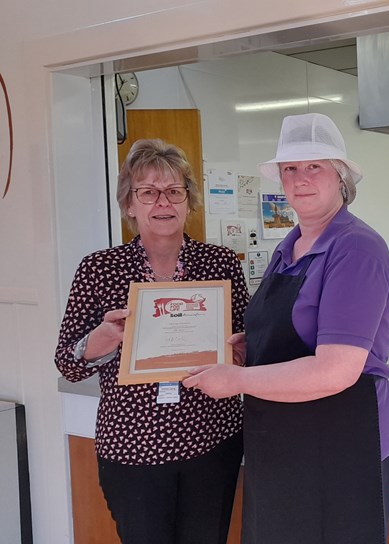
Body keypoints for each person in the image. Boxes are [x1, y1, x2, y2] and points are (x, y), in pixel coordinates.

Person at [183, 113, 389, 543]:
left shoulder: (355, 248)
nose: (300, 178)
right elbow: (297, 330)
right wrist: (256, 346)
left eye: (314, 166)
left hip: (342, 445)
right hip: (282, 441)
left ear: (341, 177)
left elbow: (336, 370)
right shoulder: (289, 247)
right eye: (290, 169)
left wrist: (237, 379)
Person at [54, 139, 249, 544]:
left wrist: (242, 351)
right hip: (133, 449)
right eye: (148, 192)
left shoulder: (221, 264)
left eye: (175, 191)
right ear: (130, 204)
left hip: (211, 441)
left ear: (188, 201)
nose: (163, 202)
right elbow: (68, 363)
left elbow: (247, 348)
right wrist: (103, 337)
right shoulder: (99, 269)